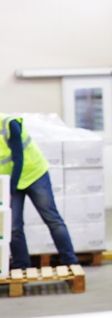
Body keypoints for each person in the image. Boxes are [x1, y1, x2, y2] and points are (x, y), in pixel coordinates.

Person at [0, 114, 79, 269]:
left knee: (52, 219)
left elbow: (18, 157)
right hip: (10, 180)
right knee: (13, 227)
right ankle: (21, 266)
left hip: (34, 174)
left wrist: (11, 189)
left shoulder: (9, 124)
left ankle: (70, 261)